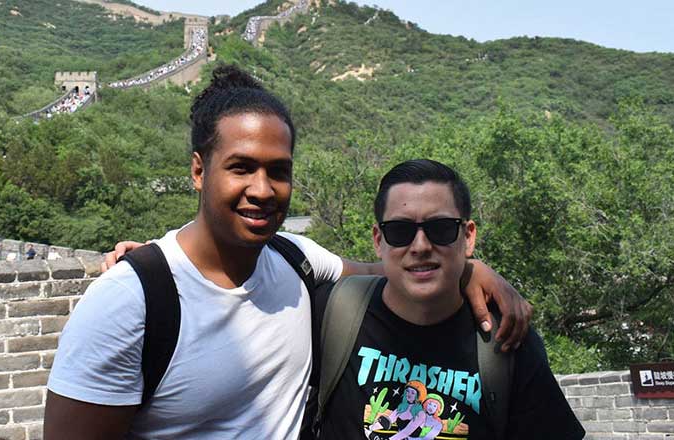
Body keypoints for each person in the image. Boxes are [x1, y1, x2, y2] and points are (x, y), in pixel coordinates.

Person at [44, 66, 530, 439]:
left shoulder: (295, 259)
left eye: (278, 170)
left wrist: (466, 270)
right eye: (241, 167)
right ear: (198, 171)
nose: (262, 189)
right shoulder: (128, 302)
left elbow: (392, 270)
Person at [314, 159, 583, 439]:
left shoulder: (508, 342)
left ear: (468, 237)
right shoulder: (330, 314)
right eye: (400, 231)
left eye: (440, 228)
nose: (420, 246)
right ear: (379, 240)